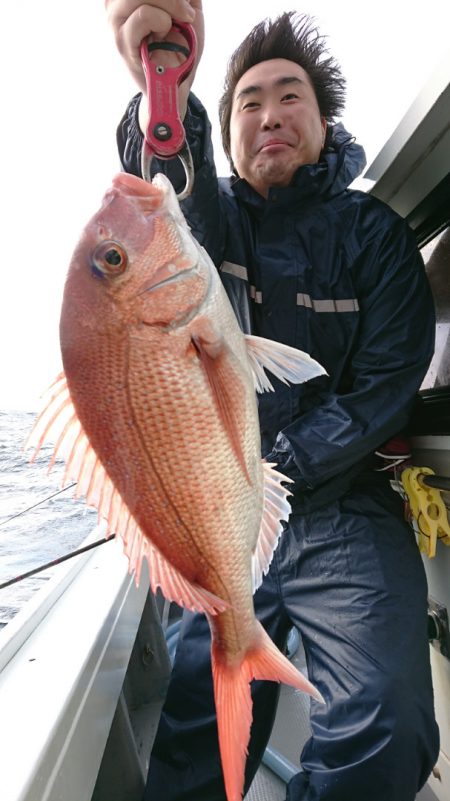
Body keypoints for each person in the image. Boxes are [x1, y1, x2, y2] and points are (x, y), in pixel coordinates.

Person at [105, 3, 440, 799]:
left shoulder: (376, 234)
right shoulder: (204, 228)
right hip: (218, 512)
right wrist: (166, 82)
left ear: (324, 121)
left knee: (387, 724)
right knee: (194, 732)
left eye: (290, 96)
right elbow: (159, 175)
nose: (269, 114)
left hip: (342, 511)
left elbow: (387, 382)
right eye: (248, 102)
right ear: (228, 133)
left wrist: (278, 471)